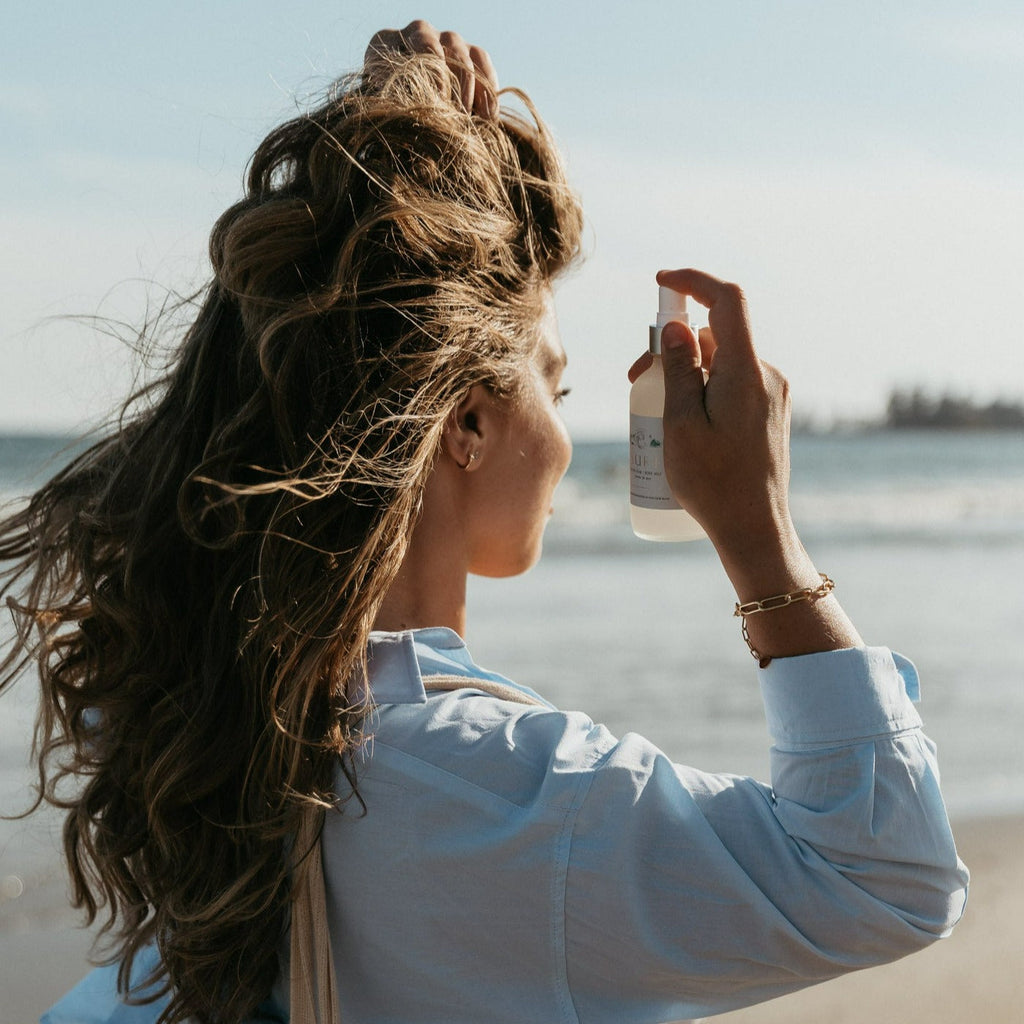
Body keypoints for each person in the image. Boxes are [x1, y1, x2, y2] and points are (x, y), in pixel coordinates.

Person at [0, 21, 967, 1024]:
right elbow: (883, 876)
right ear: (465, 421)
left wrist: (393, 190)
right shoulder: (515, 803)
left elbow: (284, 346)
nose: (561, 436)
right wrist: (758, 525)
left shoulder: (205, 719)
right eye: (553, 383)